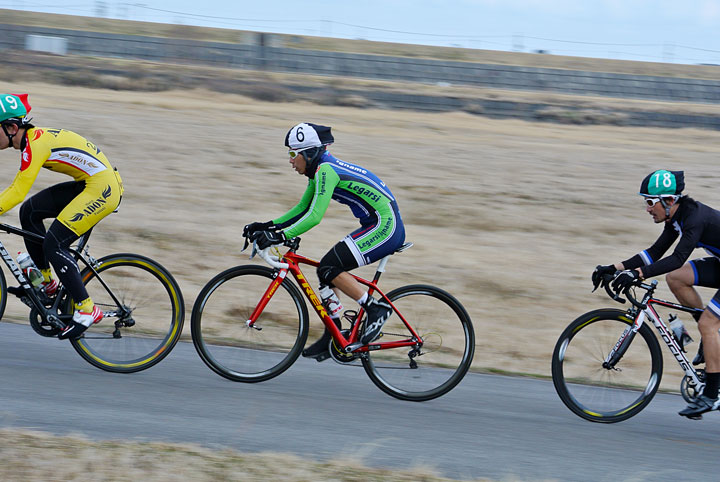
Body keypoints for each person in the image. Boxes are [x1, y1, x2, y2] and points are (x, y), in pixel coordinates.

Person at [244, 122, 405, 361]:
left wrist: (280, 236)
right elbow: (302, 208)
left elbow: (315, 216)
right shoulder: (319, 170)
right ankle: (334, 334)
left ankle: (375, 309)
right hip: (374, 224)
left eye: (292, 154)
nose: (290, 160)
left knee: (330, 266)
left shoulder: (325, 171)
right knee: (325, 272)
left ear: (308, 153)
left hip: (386, 226)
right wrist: (268, 225)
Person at [592, 169, 720, 419]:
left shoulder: (694, 218)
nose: (648, 209)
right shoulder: (676, 217)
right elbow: (654, 253)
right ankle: (709, 340)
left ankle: (712, 395)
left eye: (650, 202)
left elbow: (678, 257)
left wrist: (638, 274)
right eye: (646, 202)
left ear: (669, 200)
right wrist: (614, 267)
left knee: (709, 322)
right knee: (676, 278)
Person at [0, 93, 123, 339]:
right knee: (30, 212)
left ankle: (87, 309)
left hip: (103, 189)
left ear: (12, 128)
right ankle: (47, 283)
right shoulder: (30, 142)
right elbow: (19, 197)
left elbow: (17, 191)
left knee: (54, 242)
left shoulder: (35, 146)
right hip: (88, 183)